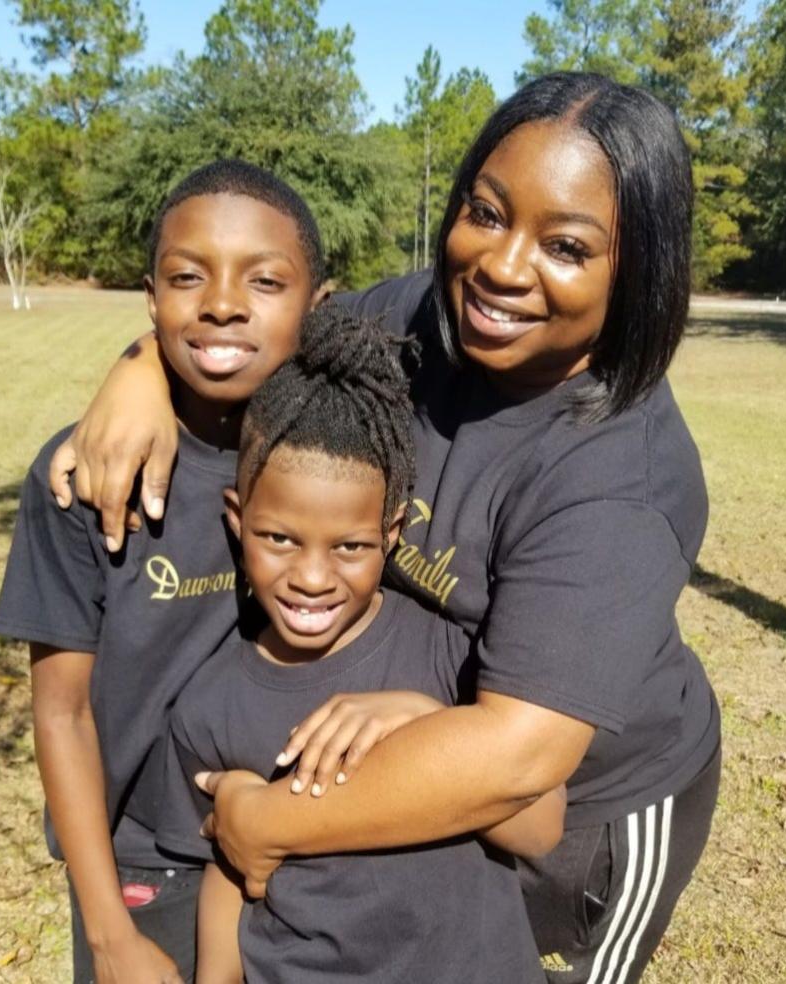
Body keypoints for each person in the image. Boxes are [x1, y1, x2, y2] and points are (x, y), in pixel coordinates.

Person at [49, 72, 721, 984]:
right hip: (414, 743)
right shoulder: (420, 321)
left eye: (565, 245)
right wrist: (137, 375)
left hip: (583, 815)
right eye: (487, 213)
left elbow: (518, 759)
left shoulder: (622, 479)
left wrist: (265, 821)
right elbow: (256, 326)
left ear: (637, 271)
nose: (504, 266)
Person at [0, 159, 330, 984]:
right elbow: (63, 712)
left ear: (318, 307)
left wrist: (139, 357)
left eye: (263, 280)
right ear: (151, 299)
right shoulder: (85, 477)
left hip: (305, 841)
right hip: (146, 868)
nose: (220, 302)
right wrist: (108, 935)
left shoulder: (328, 458)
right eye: (187, 277)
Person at [157, 306, 564, 984]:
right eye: (279, 538)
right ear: (238, 520)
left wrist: (426, 719)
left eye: (349, 546)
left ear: (393, 531)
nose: (311, 578)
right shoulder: (208, 706)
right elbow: (228, 871)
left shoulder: (449, 656)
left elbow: (541, 827)